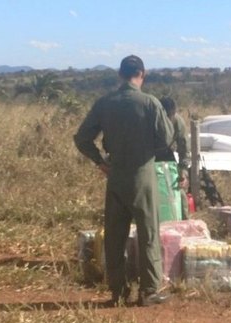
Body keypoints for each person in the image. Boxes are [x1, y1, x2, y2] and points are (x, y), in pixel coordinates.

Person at [74, 55, 174, 306]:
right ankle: (149, 291)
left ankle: (118, 291)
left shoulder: (105, 103)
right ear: (142, 74)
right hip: (143, 175)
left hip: (115, 174)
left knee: (115, 235)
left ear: (120, 74)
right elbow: (166, 139)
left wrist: (100, 162)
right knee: (148, 232)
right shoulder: (150, 103)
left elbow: (82, 138)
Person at [157, 96, 191, 219]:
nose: (168, 120)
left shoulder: (177, 122)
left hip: (168, 157)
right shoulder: (147, 121)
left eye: (171, 116)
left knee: (179, 193)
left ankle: (184, 222)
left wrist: (183, 171)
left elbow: (184, 150)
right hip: (150, 159)